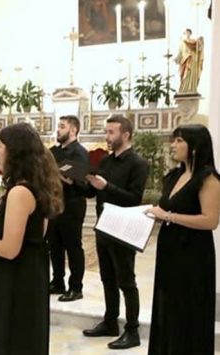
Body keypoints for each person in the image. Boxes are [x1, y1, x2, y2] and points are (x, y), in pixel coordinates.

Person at [0, 122, 62, 355]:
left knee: (12, 339)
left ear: (15, 152)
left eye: (0, 146)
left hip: (17, 277)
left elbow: (9, 248)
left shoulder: (20, 192)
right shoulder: (22, 187)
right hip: (24, 272)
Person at [145, 124, 220, 354]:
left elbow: (210, 221)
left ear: (195, 147)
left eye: (179, 141)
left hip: (193, 254)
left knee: (188, 311)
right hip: (170, 248)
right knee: (168, 308)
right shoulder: (176, 175)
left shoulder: (208, 178)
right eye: (173, 140)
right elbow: (168, 208)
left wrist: (168, 216)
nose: (172, 145)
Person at [82, 115, 149, 350]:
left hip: (124, 228)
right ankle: (110, 321)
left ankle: (132, 331)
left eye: (111, 132)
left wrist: (106, 186)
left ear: (126, 135)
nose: (107, 137)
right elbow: (93, 194)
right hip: (103, 226)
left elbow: (134, 199)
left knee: (126, 281)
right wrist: (82, 181)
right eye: (107, 132)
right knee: (107, 278)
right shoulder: (106, 162)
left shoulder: (138, 164)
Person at [47, 115, 89, 302]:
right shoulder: (54, 152)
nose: (58, 129)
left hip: (72, 204)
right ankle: (57, 281)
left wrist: (64, 175)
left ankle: (76, 287)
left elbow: (81, 182)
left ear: (73, 130)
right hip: (54, 203)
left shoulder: (79, 152)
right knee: (54, 245)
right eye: (58, 126)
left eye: (62, 126)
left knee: (73, 246)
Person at [174, 29, 204, 94]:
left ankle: (192, 89)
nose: (187, 34)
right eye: (186, 33)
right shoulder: (182, 43)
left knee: (190, 74)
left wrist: (200, 42)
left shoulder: (193, 41)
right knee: (184, 75)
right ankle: (183, 89)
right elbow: (180, 52)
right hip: (185, 61)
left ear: (190, 33)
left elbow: (199, 48)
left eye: (189, 33)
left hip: (192, 60)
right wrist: (176, 59)